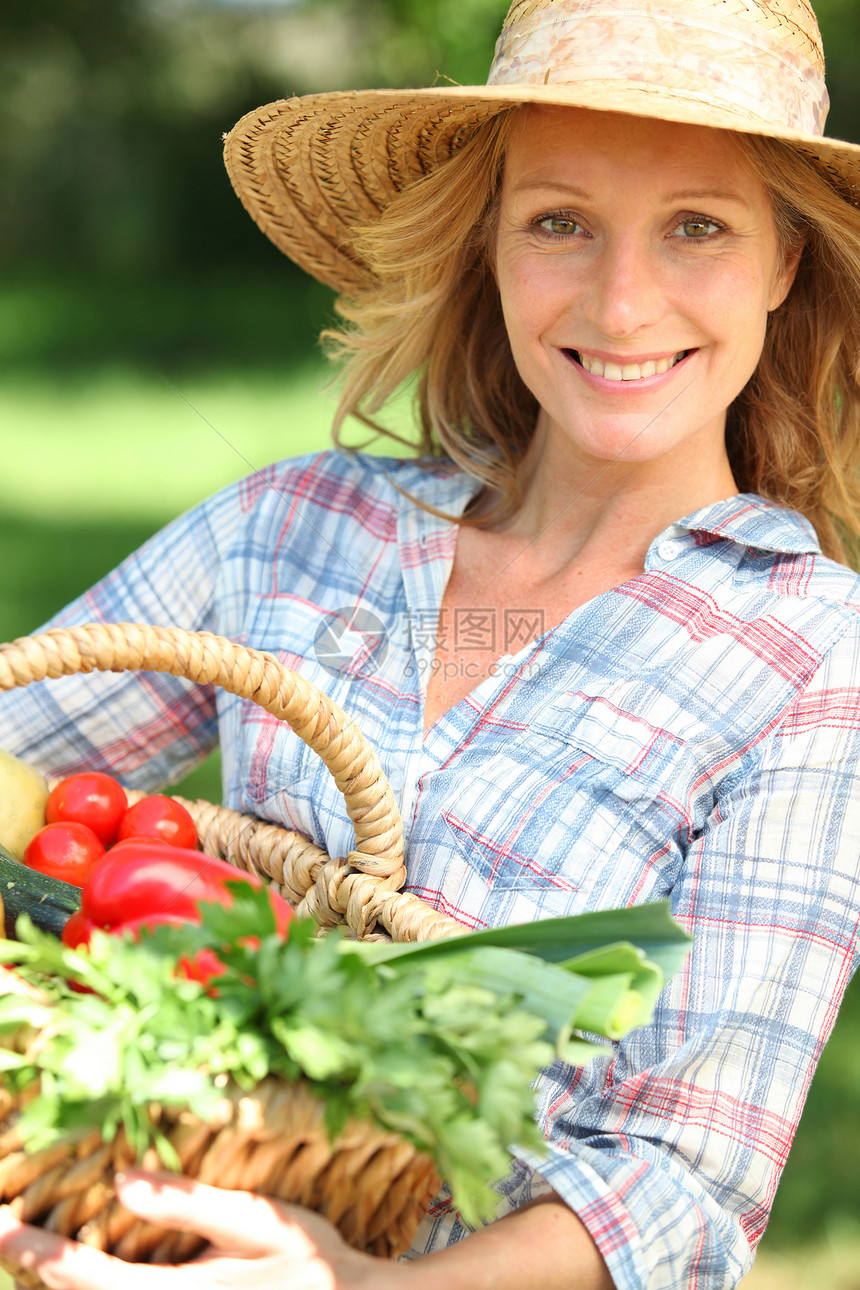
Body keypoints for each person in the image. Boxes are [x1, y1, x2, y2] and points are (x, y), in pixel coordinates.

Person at [2, 0, 860, 1286]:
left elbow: (681, 1182)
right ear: (491, 251)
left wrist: (365, 1285)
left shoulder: (811, 656)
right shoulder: (292, 529)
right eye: (557, 221)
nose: (623, 302)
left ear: (783, 264)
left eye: (698, 226)